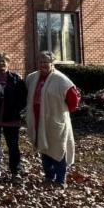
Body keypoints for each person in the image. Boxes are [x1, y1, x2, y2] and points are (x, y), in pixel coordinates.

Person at [26, 51, 81, 187]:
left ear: (52, 63)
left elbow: (73, 101)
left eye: (46, 62)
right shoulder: (32, 78)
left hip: (56, 120)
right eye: (40, 62)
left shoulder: (61, 80)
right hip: (38, 120)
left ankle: (60, 179)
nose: (43, 64)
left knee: (58, 149)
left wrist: (60, 111)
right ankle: (49, 176)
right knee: (44, 149)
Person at [0, 52, 28, 180]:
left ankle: (15, 170)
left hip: (11, 118)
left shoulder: (16, 79)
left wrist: (16, 109)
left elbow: (23, 97)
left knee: (13, 146)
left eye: (4, 61)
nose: (1, 63)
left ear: (8, 63)